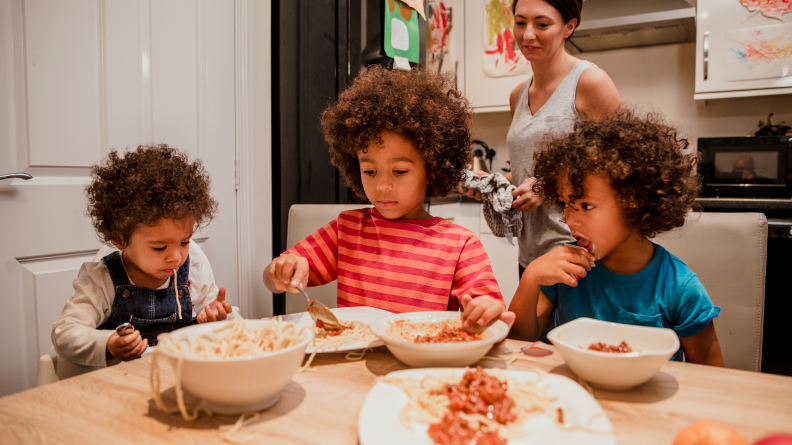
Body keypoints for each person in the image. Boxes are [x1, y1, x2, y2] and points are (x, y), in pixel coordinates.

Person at [263, 66, 515, 329]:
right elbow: (274, 280)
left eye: (400, 171)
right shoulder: (346, 230)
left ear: (431, 169)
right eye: (370, 171)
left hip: (421, 366)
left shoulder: (460, 245)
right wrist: (282, 271)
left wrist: (483, 311)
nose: (382, 186)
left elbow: (487, 307)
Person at [508, 110, 724, 366]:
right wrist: (531, 277)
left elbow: (713, 375)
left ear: (636, 205)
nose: (571, 220)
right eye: (567, 204)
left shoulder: (679, 287)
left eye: (586, 206)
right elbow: (518, 340)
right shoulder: (566, 268)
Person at [463, 0, 622, 280]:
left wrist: (548, 186)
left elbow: (622, 167)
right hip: (531, 250)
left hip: (580, 249)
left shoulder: (590, 82)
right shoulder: (518, 94)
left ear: (569, 27)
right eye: (520, 22)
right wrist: (494, 184)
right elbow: (527, 171)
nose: (527, 35)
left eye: (542, 24)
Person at [51, 145, 233, 368]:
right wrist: (107, 344)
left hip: (183, 380)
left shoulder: (194, 272)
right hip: (121, 386)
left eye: (184, 242)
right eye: (159, 247)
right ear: (120, 239)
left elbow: (230, 329)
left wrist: (219, 319)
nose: (176, 257)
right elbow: (65, 333)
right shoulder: (100, 283)